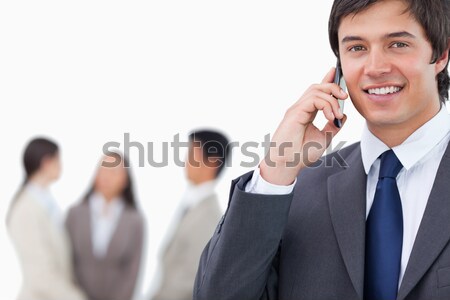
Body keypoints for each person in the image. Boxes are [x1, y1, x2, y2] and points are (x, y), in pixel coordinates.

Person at [194, 0, 450, 299]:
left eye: (398, 44)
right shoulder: (295, 191)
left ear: (441, 53)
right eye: (357, 48)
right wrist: (277, 171)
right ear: (339, 67)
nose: (376, 67)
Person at [152, 129, 231, 300]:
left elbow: (191, 280)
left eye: (191, 154)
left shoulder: (209, 217)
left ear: (212, 162)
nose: (185, 161)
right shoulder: (192, 206)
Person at [6, 137, 87, 300]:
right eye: (58, 160)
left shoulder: (44, 200)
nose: (61, 166)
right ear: (46, 162)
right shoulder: (26, 209)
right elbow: (41, 275)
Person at [66, 152, 145, 300]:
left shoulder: (134, 220)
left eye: (114, 171)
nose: (107, 176)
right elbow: (67, 261)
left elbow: (133, 270)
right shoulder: (75, 214)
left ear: (125, 179)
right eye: (103, 169)